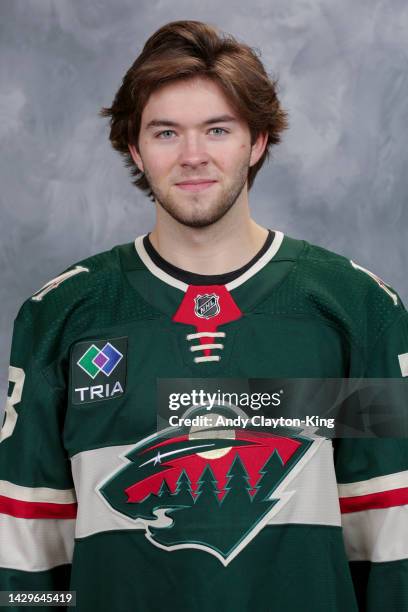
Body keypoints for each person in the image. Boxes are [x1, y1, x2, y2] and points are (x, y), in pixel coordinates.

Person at [0, 19, 407, 612]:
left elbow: (391, 530)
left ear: (257, 141)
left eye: (218, 129)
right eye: (166, 133)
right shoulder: (61, 315)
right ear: (135, 148)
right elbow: (28, 549)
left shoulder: (358, 308)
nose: (193, 156)